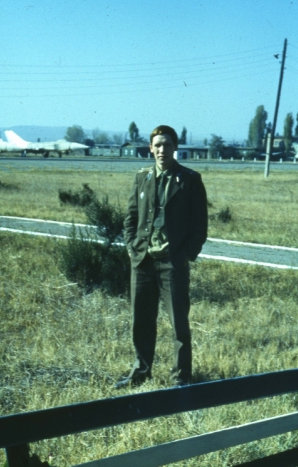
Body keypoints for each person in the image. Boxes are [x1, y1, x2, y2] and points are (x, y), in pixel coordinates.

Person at [115, 125, 208, 388]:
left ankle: (181, 377)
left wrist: (186, 255)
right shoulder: (141, 178)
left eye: (167, 145)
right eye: (157, 145)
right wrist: (132, 248)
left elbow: (199, 225)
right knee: (141, 320)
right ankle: (141, 371)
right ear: (150, 148)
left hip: (172, 263)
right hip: (143, 261)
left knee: (179, 322)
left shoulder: (190, 179)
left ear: (174, 147)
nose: (162, 150)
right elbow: (130, 218)